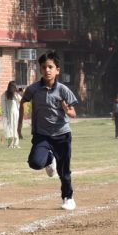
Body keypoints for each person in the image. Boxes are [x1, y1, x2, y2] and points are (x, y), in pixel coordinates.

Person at [18, 51, 78, 211]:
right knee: (35, 162)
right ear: (40, 69)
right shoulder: (33, 89)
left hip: (62, 134)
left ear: (57, 70)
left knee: (64, 170)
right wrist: (19, 126)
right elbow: (22, 102)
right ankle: (49, 159)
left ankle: (68, 197)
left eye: (50, 67)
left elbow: (73, 113)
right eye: (44, 67)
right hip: (41, 135)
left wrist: (67, 110)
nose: (47, 70)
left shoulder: (63, 90)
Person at [1, 82, 22, 147]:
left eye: (14, 87)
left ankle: (16, 143)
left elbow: (21, 101)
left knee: (15, 127)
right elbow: (3, 104)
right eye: (12, 87)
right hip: (8, 114)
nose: (13, 88)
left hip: (16, 113)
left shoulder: (16, 94)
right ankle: (10, 144)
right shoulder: (5, 94)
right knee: (10, 128)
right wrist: (4, 113)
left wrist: (18, 93)